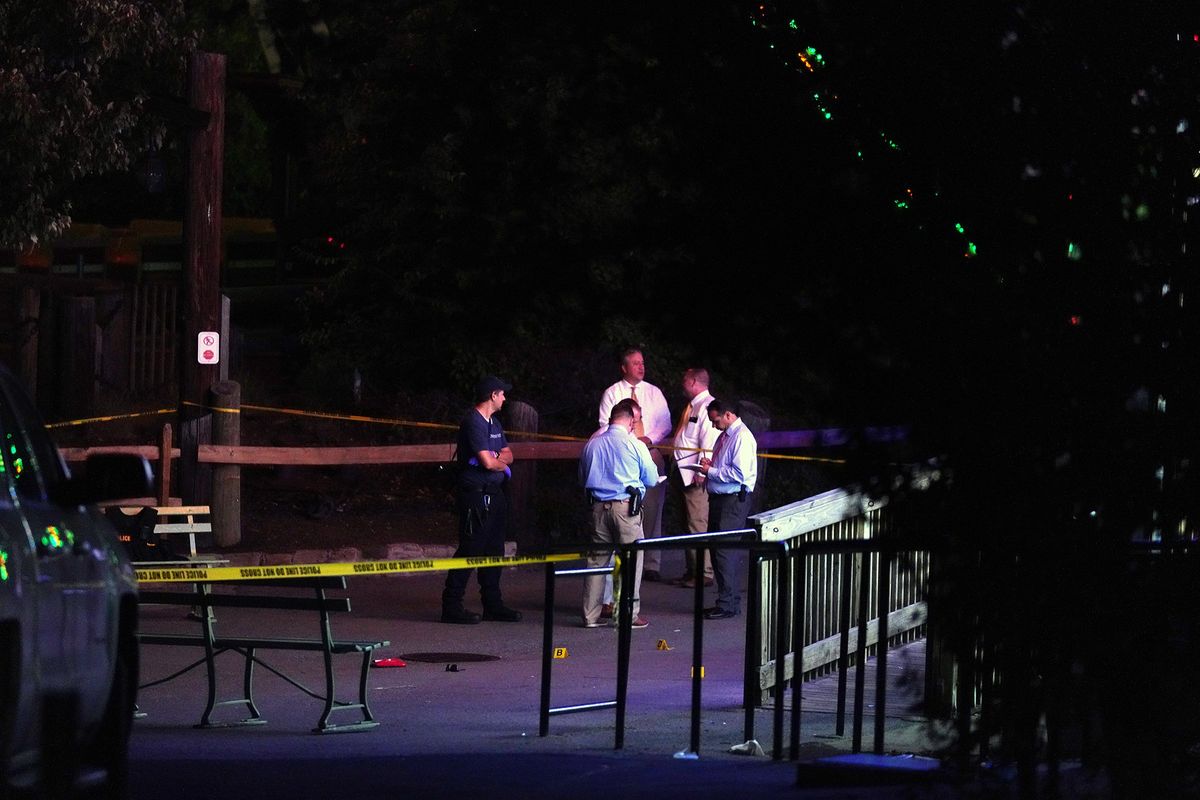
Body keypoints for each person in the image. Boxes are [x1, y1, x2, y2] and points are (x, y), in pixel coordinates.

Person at [441, 376, 523, 624]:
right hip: (476, 494)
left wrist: (496, 457)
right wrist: (496, 460)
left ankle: (492, 603)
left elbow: (508, 455)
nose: (505, 398)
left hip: (495, 493)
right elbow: (487, 463)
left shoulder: (494, 423)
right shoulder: (473, 422)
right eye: (502, 394)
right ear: (492, 395)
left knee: (494, 550)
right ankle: (451, 605)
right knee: (471, 548)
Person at [579, 398, 659, 629]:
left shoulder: (592, 444)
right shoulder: (635, 445)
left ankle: (590, 616)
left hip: (597, 508)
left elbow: (582, 478)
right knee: (630, 562)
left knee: (596, 562)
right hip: (626, 508)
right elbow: (652, 479)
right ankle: (627, 615)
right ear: (631, 421)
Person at [597, 348, 672, 581]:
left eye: (643, 363)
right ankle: (622, 560)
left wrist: (648, 440)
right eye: (636, 363)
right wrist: (629, 443)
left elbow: (665, 423)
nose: (641, 367)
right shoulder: (613, 392)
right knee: (626, 506)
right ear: (624, 367)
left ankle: (651, 563)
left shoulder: (653, 393)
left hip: (649, 450)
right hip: (622, 453)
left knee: (652, 507)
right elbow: (604, 423)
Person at [697, 398, 758, 620]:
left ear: (729, 415)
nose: (714, 425)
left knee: (724, 551)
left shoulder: (741, 437)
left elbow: (739, 474)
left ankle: (728, 604)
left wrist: (710, 471)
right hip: (720, 498)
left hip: (732, 500)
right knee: (717, 549)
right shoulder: (726, 437)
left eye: (716, 420)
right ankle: (727, 600)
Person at [668, 367, 719, 587]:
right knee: (686, 523)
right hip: (681, 471)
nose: (682, 383)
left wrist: (701, 471)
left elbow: (709, 442)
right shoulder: (692, 406)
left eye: (684, 379)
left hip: (694, 473)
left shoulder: (707, 406)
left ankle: (704, 572)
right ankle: (692, 570)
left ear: (693, 382)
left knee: (697, 522)